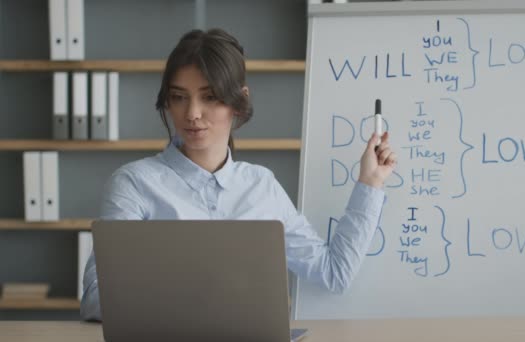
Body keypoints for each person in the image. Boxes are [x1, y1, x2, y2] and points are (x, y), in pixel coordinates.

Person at [80, 28, 397, 321]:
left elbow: (333, 274)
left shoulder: (261, 186)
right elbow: (96, 299)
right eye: (179, 97)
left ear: (238, 101)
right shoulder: (134, 184)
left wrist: (370, 183)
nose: (192, 113)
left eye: (209, 97)